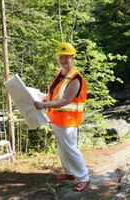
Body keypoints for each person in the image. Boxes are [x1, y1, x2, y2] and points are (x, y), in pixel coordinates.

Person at [34, 42, 90, 192]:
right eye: (61, 56)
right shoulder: (60, 74)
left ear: (73, 58)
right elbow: (55, 95)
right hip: (57, 118)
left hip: (69, 120)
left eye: (66, 57)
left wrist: (45, 105)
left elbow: (66, 100)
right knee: (62, 148)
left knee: (70, 149)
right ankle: (70, 173)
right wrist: (44, 97)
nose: (63, 59)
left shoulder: (75, 78)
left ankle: (84, 177)